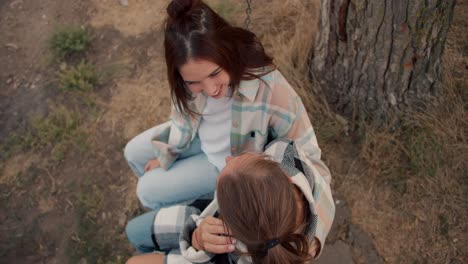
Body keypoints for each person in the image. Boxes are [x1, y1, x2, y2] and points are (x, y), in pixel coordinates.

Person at [124, 0, 329, 253]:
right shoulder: (186, 78)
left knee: (146, 190)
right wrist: (167, 152)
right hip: (196, 138)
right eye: (194, 82)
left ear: (226, 50)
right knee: (132, 152)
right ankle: (174, 204)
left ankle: (184, 209)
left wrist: (303, 239)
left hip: (225, 169)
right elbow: (181, 118)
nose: (210, 90)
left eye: (215, 73)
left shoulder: (270, 87)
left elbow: (314, 165)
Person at [126, 139, 335, 264]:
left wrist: (199, 241)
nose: (227, 159)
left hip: (204, 247)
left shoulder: (233, 253)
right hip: (203, 223)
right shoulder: (290, 158)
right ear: (282, 174)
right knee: (134, 231)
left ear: (232, 225)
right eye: (249, 157)